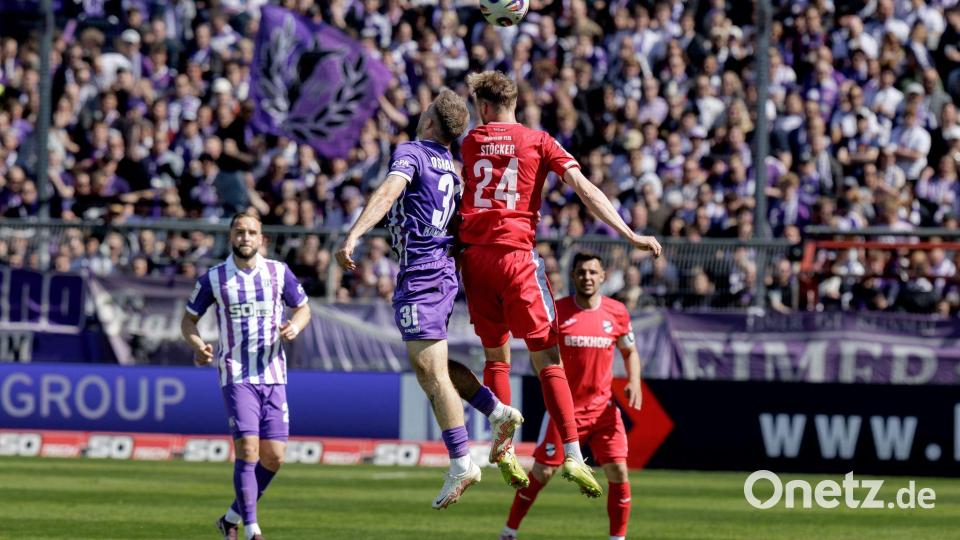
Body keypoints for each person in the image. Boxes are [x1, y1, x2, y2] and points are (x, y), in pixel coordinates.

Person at [454, 70, 660, 498]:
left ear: (485, 108)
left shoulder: (472, 142)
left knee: (497, 355)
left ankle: (505, 447)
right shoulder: (539, 141)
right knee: (548, 358)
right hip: (515, 257)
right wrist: (629, 234)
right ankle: (571, 453)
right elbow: (585, 189)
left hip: (475, 260)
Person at [335, 88, 523, 509]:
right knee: (433, 365)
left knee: (429, 373)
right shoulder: (453, 170)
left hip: (422, 272)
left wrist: (355, 233)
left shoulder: (414, 152)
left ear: (432, 121)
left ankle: (462, 462)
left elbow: (388, 192)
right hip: (440, 270)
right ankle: (496, 412)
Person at [180, 213, 311, 540]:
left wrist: (295, 325)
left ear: (261, 237)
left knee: (275, 458)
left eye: (252, 232)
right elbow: (188, 321)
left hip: (274, 374)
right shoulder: (215, 278)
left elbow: (304, 308)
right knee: (249, 451)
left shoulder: (278, 273)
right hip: (236, 374)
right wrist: (198, 346)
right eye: (240, 232)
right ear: (231, 237)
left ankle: (230, 518)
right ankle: (251, 529)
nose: (246, 237)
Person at [499, 252, 643, 540]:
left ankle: (618, 538)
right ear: (573, 276)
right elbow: (538, 351)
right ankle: (509, 532)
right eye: (581, 272)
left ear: (603, 276)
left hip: (603, 410)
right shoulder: (556, 311)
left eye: (592, 272)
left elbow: (630, 351)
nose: (587, 277)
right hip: (564, 412)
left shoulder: (617, 312)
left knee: (618, 471)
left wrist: (635, 381)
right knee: (542, 473)